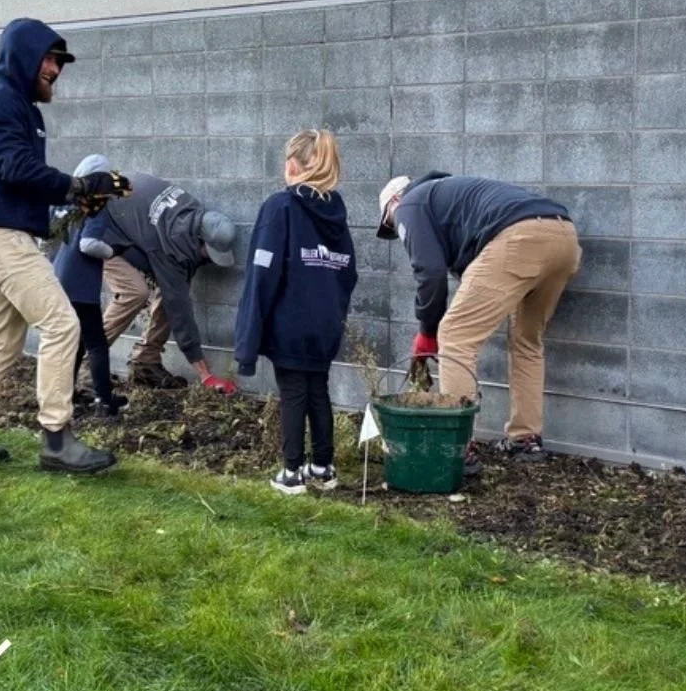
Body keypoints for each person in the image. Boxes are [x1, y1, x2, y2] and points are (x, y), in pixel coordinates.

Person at [0, 17, 120, 475]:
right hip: (1, 239)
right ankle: (56, 440)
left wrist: (76, 197)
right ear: (23, 56)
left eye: (60, 62)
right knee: (64, 324)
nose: (55, 69)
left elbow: (16, 176)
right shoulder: (4, 102)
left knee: (2, 344)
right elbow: (17, 169)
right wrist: (79, 185)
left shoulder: (10, 104)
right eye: (48, 58)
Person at [377, 172, 581, 465]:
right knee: (527, 341)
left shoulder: (409, 205)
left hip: (518, 236)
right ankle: (526, 440)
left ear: (395, 202)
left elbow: (430, 275)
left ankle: (458, 448)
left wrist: (427, 332)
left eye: (390, 224)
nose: (397, 231)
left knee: (455, 337)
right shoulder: (447, 197)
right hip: (564, 237)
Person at [234, 130, 357, 494]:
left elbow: (262, 271)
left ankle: (291, 473)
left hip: (290, 320)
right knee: (317, 388)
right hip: (325, 323)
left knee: (293, 391)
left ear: (291, 165)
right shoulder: (336, 212)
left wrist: (249, 334)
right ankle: (323, 466)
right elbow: (348, 271)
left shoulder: (280, 207)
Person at [94, 173, 238, 394]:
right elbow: (180, 310)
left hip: (127, 217)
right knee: (135, 292)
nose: (208, 260)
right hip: (98, 227)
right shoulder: (172, 243)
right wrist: (205, 374)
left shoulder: (193, 214)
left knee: (171, 288)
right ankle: (83, 365)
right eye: (208, 255)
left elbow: (175, 290)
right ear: (200, 239)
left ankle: (146, 362)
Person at [52, 153, 129, 421]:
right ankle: (104, 402)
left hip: (58, 281)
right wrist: (112, 251)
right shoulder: (96, 207)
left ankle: (66, 394)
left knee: (73, 342)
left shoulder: (64, 205)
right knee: (97, 344)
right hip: (81, 287)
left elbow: (50, 238)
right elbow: (88, 244)